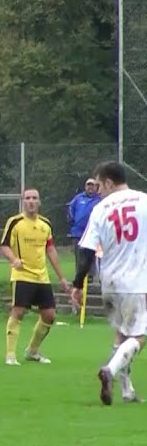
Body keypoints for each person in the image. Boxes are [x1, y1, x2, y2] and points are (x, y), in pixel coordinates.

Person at [71, 161, 147, 405]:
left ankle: (127, 391)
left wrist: (77, 284)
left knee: (121, 335)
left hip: (110, 282)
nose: (98, 191)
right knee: (139, 336)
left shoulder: (100, 209)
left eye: (100, 185)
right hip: (136, 280)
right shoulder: (144, 201)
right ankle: (109, 372)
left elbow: (86, 251)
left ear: (109, 182)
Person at [0, 188, 70, 365]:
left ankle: (32, 350)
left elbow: (50, 249)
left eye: (34, 198)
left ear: (39, 202)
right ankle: (10, 354)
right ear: (23, 201)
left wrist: (61, 277)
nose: (31, 201)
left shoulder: (45, 224)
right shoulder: (15, 222)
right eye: (28, 198)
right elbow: (4, 246)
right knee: (19, 311)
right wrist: (14, 259)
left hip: (42, 277)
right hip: (22, 275)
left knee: (49, 315)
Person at [66, 178, 101, 264]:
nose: (90, 187)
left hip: (94, 234)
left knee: (94, 258)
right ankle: (80, 277)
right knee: (79, 258)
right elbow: (70, 208)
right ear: (85, 186)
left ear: (96, 187)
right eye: (88, 185)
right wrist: (73, 221)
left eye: (92, 185)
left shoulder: (100, 199)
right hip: (78, 234)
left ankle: (92, 276)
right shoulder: (78, 198)